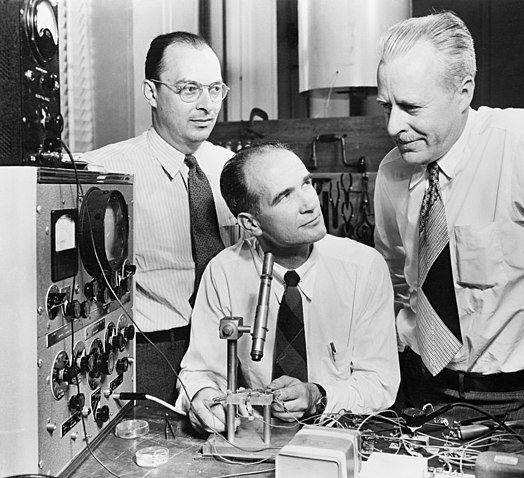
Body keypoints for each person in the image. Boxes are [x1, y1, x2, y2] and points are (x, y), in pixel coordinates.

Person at [374, 11, 524, 436]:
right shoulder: (392, 172)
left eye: (411, 107)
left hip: (515, 404)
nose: (394, 126)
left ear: (463, 91)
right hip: (416, 389)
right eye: (386, 106)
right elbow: (395, 278)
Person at [175, 143, 400, 434]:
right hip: (256, 434)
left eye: (306, 184)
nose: (309, 203)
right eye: (284, 197)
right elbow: (200, 370)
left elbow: (379, 383)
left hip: (337, 432)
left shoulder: (364, 267)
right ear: (250, 223)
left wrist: (317, 396)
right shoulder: (224, 272)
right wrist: (201, 396)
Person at [84, 32, 242, 403]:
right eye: (189, 89)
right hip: (153, 354)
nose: (207, 105)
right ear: (152, 93)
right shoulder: (105, 171)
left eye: (215, 89)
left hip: (228, 347)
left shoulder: (232, 170)